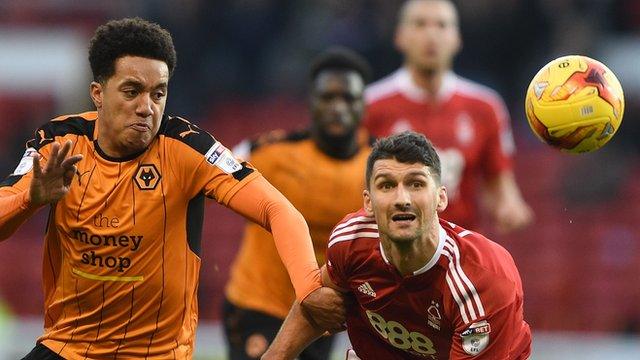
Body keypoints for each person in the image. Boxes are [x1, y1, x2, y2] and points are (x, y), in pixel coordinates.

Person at [0, 18, 343, 359]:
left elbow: (277, 209)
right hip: (66, 348)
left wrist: (309, 288)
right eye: (132, 91)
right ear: (98, 94)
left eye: (158, 93)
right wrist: (30, 199)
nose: (147, 107)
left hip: (155, 355)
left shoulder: (188, 148)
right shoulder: (59, 142)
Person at [262, 132, 532, 359]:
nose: (402, 199)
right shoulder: (350, 242)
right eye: (387, 185)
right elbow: (315, 308)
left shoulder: (482, 284)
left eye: (416, 184)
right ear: (368, 202)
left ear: (441, 198)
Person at [223, 47, 373, 360]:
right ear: (311, 102)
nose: (337, 108)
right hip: (258, 303)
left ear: (363, 105)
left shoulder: (378, 168)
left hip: (322, 313)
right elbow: (200, 179)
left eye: (348, 98)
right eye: (328, 98)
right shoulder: (268, 153)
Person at [364, 0, 533, 233]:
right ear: (400, 37)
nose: (431, 34)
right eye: (420, 24)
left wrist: (510, 207)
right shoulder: (370, 105)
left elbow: (500, 185)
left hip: (458, 252)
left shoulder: (485, 107)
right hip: (389, 253)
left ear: (457, 39)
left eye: (442, 25)